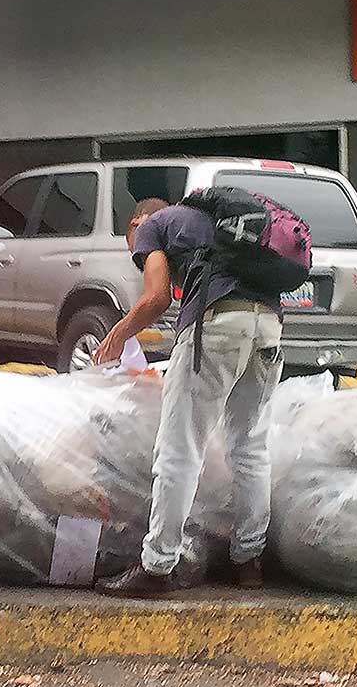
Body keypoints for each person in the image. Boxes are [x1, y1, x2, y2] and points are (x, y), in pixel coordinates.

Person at [91, 195, 283, 598]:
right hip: (268, 324)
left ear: (137, 222)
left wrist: (116, 336)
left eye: (135, 251)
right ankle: (248, 560)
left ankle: (157, 566)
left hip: (216, 323)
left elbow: (156, 297)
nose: (138, 255)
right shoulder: (214, 225)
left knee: (179, 449)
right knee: (250, 446)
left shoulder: (153, 225)